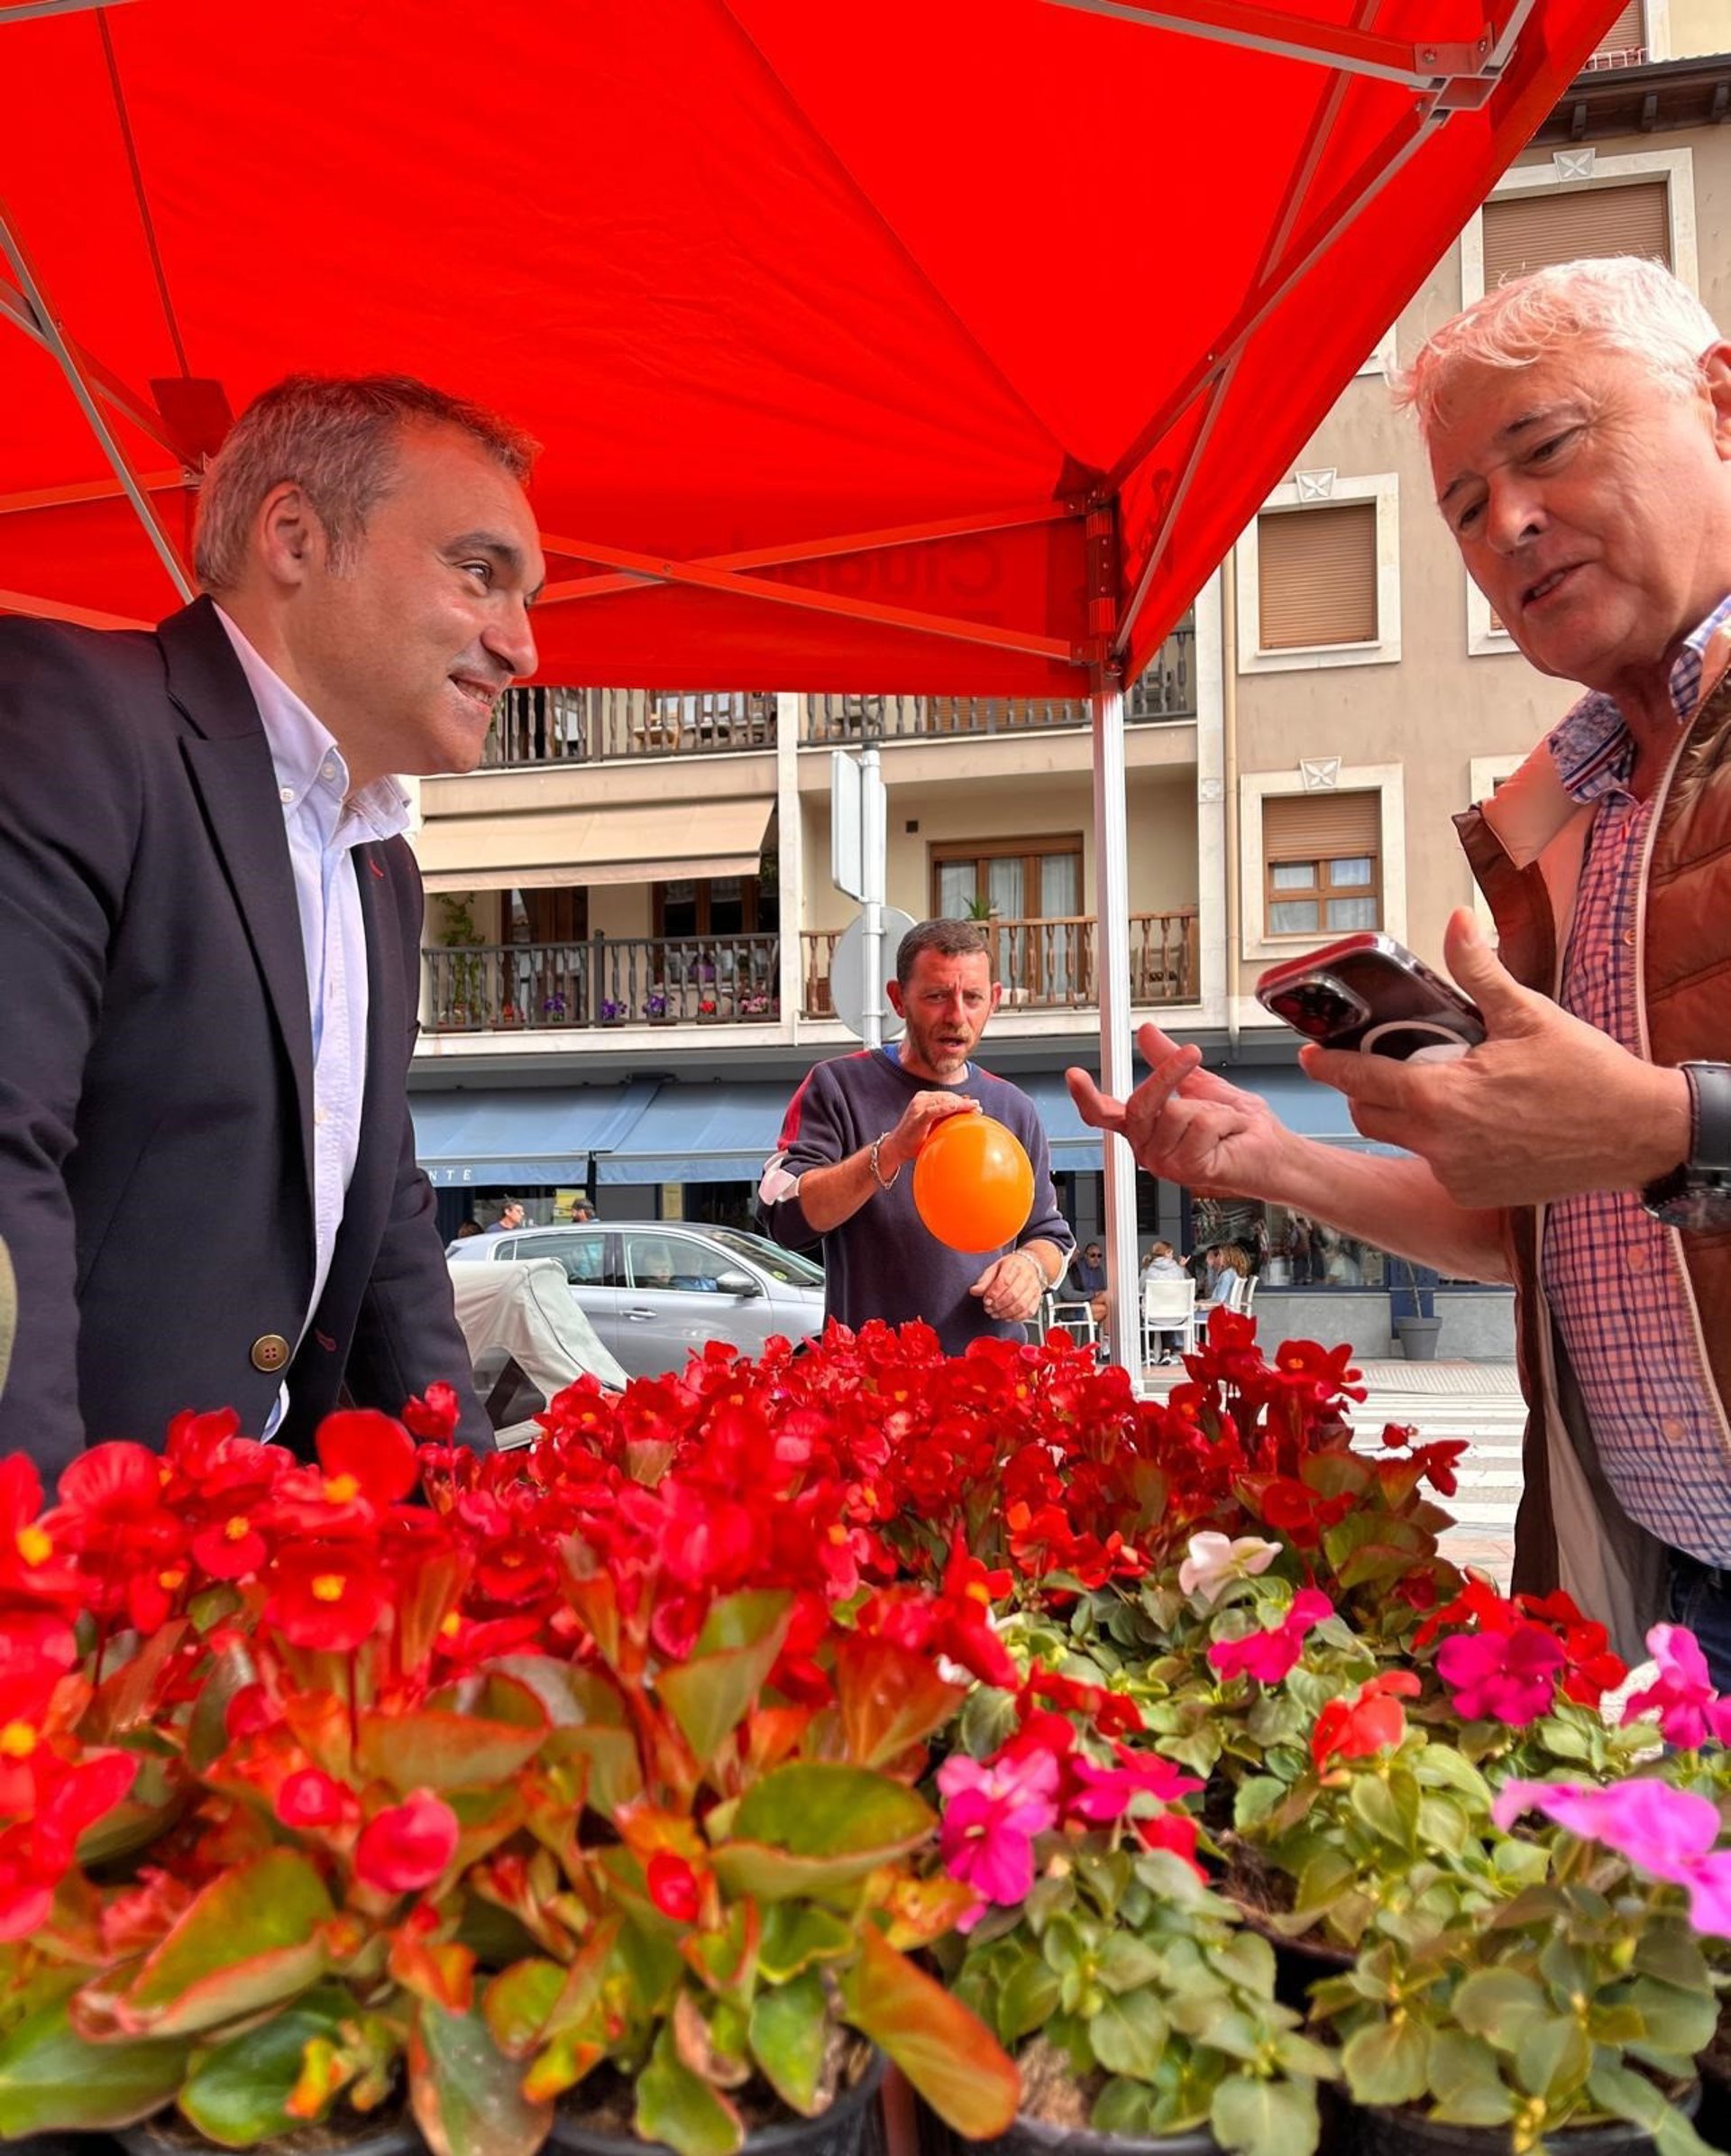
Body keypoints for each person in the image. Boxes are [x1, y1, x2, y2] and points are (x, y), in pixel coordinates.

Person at [1068, 255, 1731, 1672]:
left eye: (1546, 448)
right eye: (1464, 506)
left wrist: (1665, 1124)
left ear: (1721, 407)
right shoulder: (1570, 814)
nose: (1510, 526)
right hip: (1671, 1604)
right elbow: (1546, 1230)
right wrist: (1274, 1160)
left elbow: (1644, 1143)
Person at [0, 372, 546, 1469]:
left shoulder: (381, 864)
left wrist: (477, 1508)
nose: (522, 646)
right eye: (479, 573)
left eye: (527, 597)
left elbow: (384, 1222)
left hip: (254, 1535)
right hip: (78, 1544)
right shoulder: (74, 719)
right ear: (294, 536)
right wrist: (49, 1546)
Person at [757, 920, 1072, 1352]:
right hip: (873, 1380)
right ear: (898, 999)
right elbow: (784, 1218)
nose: (956, 1016)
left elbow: (1051, 1236)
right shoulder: (836, 1086)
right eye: (936, 996)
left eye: (973, 997)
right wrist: (890, 1151)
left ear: (994, 1000)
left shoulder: (1015, 1108)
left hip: (990, 1378)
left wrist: (1030, 1267)